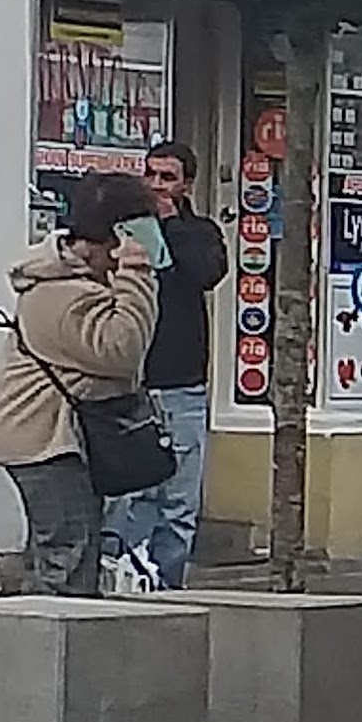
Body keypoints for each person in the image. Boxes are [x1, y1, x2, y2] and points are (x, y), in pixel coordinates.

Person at [0, 175, 161, 595]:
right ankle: (53, 631)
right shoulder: (59, 293)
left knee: (60, 551)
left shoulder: (76, 281)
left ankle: (37, 617)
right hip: (42, 440)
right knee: (69, 556)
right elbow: (121, 350)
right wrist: (137, 273)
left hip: (52, 436)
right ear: (112, 240)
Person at [101, 137, 230, 590]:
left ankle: (167, 585)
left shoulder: (200, 232)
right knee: (127, 498)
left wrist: (171, 224)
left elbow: (206, 273)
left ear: (186, 185)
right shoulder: (121, 230)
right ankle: (120, 580)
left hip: (181, 384)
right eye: (150, 174)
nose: (156, 185)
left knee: (179, 500)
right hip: (129, 383)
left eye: (167, 177)